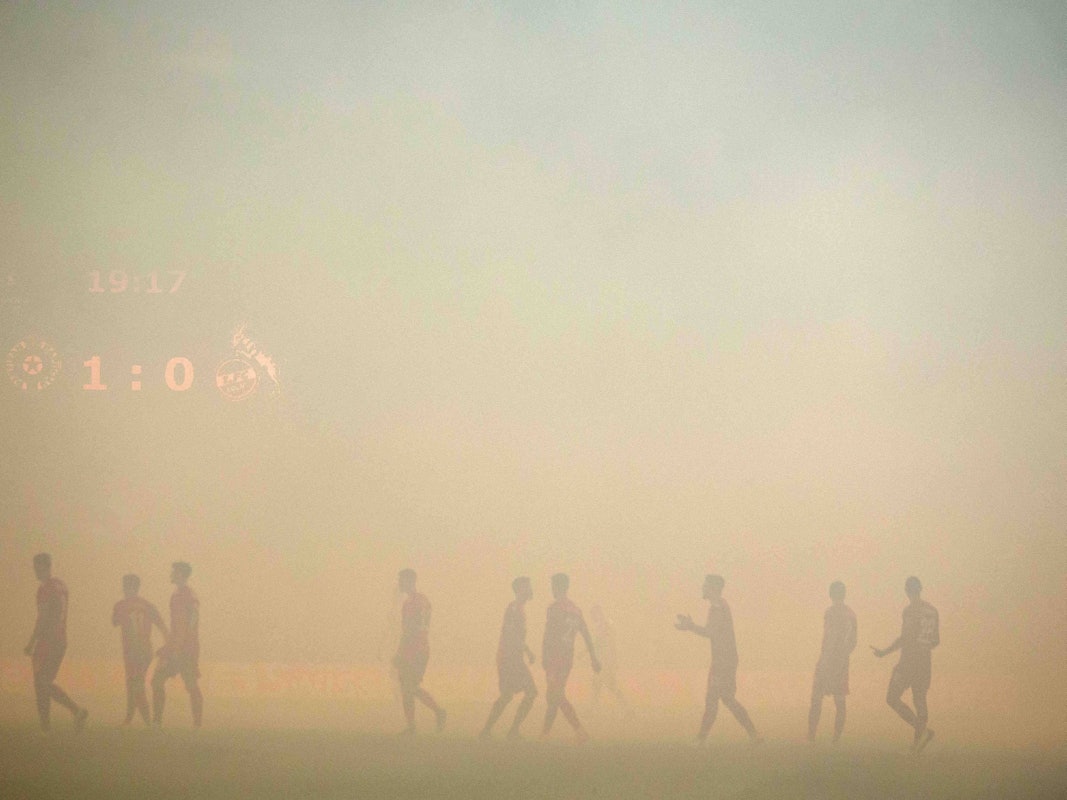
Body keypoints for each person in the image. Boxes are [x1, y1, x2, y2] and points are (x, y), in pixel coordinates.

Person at [675, 574, 761, 746]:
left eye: (705, 585)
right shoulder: (719, 606)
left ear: (713, 589)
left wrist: (690, 626)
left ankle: (701, 739)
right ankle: (754, 735)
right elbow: (713, 632)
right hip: (725, 659)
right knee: (726, 699)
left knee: (714, 699)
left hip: (723, 661)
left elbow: (711, 632)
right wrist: (691, 626)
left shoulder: (718, 608)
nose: (703, 588)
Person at [872, 576, 939, 754]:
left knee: (892, 698)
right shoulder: (933, 611)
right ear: (921, 588)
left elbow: (905, 638)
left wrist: (884, 652)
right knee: (920, 699)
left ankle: (922, 731)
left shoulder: (910, 611)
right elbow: (935, 641)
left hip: (909, 661)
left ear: (906, 591)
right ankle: (918, 742)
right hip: (925, 661)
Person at [25, 553, 88, 733]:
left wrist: (31, 642)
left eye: (37, 567)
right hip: (60, 640)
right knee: (44, 682)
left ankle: (70, 714)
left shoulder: (45, 589)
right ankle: (56, 722)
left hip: (48, 641)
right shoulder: (61, 585)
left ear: (45, 566)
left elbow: (43, 618)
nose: (35, 571)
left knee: (42, 682)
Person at [541, 573, 600, 742]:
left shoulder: (554, 608)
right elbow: (586, 634)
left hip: (554, 658)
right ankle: (545, 734)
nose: (551, 590)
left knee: (555, 694)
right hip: (567, 659)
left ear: (557, 587)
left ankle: (580, 731)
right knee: (553, 695)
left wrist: (545, 656)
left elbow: (549, 635)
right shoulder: (576, 610)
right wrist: (594, 658)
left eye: (553, 586)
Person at [480, 576, 538, 739]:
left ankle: (489, 731)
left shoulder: (519, 609)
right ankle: (509, 731)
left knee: (508, 695)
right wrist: (527, 650)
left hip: (513, 658)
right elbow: (510, 633)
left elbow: (514, 634)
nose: (530, 589)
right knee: (529, 692)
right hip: (509, 658)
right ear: (520, 590)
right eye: (527, 586)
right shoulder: (514, 609)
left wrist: (524, 650)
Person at [394, 569, 446, 735]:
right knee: (407, 688)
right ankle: (412, 726)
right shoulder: (419, 601)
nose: (399, 583)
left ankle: (438, 712)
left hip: (415, 650)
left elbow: (410, 630)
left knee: (410, 687)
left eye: (401, 580)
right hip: (416, 649)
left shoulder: (413, 603)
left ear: (410, 581)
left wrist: (400, 652)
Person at [152, 562, 203, 728]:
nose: (171, 574)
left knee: (190, 684)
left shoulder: (188, 595)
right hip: (175, 647)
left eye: (174, 572)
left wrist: (180, 646)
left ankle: (197, 724)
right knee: (157, 681)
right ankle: (157, 722)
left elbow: (192, 619)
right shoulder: (177, 595)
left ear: (181, 574)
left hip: (185, 649)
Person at [112, 574, 168, 725]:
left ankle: (148, 722)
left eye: (124, 586)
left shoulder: (121, 605)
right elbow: (162, 626)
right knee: (132, 682)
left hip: (133, 651)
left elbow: (115, 622)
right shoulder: (148, 605)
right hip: (146, 650)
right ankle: (129, 718)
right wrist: (167, 645)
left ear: (126, 587)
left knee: (135, 684)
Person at [808, 581, 857, 743]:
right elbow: (853, 641)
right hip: (842, 662)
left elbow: (829, 638)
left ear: (830, 594)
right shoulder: (851, 614)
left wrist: (825, 660)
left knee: (816, 698)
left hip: (828, 660)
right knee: (840, 700)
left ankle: (811, 737)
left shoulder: (830, 613)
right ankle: (835, 740)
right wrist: (844, 656)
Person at [588, 604, 632, 718]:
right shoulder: (603, 625)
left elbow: (604, 644)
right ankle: (593, 710)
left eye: (593, 615)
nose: (592, 618)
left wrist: (610, 661)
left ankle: (626, 709)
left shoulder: (604, 626)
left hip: (605, 661)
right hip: (603, 661)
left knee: (610, 685)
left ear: (597, 614)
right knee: (597, 685)